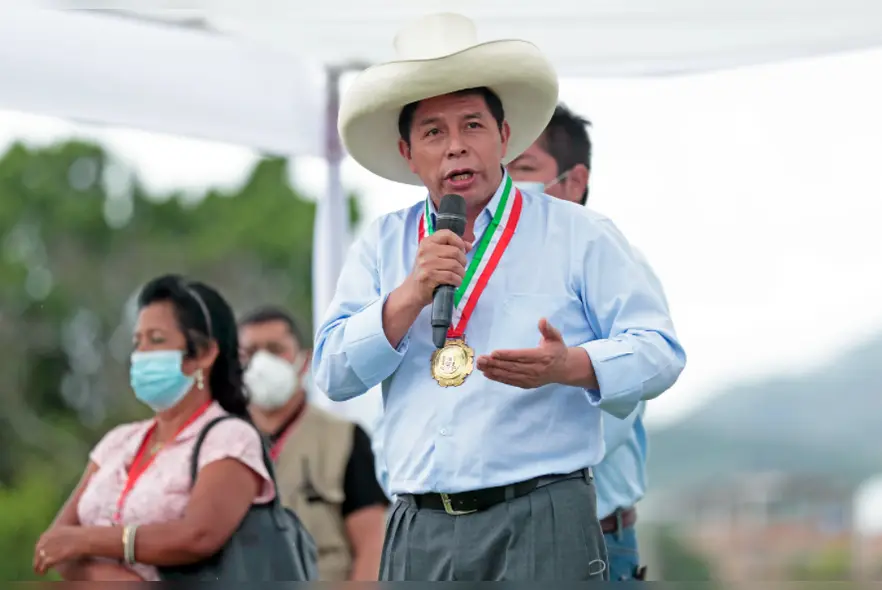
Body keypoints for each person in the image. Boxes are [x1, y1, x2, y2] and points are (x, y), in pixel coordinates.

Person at [313, 12, 685, 581]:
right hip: (418, 522)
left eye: (473, 126)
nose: (456, 148)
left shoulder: (577, 232)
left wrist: (573, 365)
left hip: (542, 514)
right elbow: (334, 373)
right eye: (434, 132)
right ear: (408, 153)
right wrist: (410, 294)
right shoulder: (382, 244)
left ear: (505, 137)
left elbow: (660, 352)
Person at [508, 104, 665, 580]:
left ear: (573, 183)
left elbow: (643, 372)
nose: (505, 188)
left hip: (589, 538)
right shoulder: (486, 270)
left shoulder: (610, 259)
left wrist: (567, 366)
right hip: (499, 543)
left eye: (524, 170)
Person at [34, 274, 275, 581]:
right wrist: (115, 581)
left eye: (157, 340)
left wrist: (86, 541)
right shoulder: (118, 442)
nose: (141, 354)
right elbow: (54, 543)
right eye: (138, 342)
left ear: (203, 354)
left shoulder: (230, 439)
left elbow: (198, 536)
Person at [238, 305, 387, 581]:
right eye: (250, 352)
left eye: (275, 349)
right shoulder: (221, 440)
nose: (261, 362)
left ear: (304, 360)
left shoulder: (344, 438)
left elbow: (372, 547)